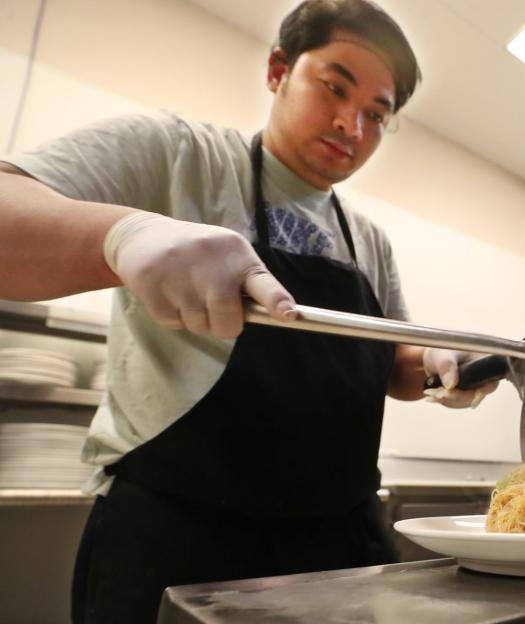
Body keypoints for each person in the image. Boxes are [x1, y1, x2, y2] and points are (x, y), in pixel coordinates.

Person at [0, 1, 497, 621]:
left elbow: (393, 364)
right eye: (335, 86)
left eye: (376, 114)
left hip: (337, 544)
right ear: (277, 70)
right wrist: (121, 235)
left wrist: (437, 363)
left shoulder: (369, 240)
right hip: (179, 535)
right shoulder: (181, 154)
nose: (351, 124)